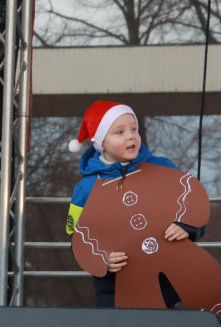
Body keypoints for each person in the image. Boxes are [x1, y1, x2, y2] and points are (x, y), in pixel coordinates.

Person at [66, 100, 205, 309]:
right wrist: (99, 258)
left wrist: (187, 226)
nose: (131, 136)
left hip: (168, 285)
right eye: (119, 132)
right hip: (114, 292)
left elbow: (194, 206)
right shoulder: (85, 189)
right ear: (100, 142)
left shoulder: (164, 169)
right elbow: (77, 237)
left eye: (134, 129)